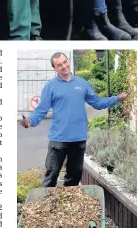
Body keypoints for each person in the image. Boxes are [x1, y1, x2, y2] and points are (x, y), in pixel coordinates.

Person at [20, 52, 128, 187]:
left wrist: (116, 98)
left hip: (78, 139)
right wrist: (30, 122)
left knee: (73, 179)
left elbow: (97, 103)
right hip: (58, 139)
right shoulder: (51, 86)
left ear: (68, 61)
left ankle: (68, 206)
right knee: (50, 178)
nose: (64, 66)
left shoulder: (81, 83)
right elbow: (41, 110)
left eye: (65, 62)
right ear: (55, 68)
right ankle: (47, 206)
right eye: (59, 65)